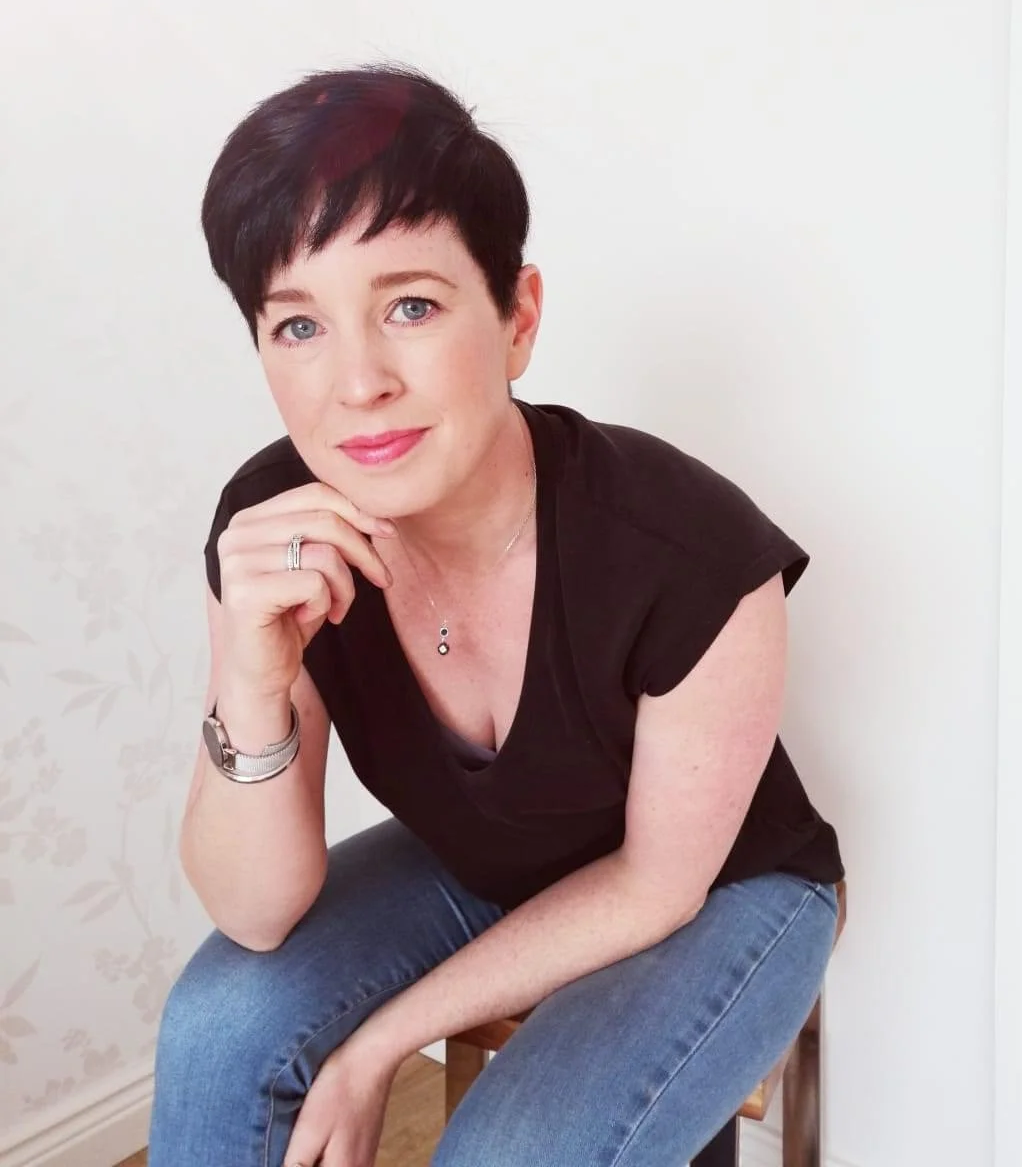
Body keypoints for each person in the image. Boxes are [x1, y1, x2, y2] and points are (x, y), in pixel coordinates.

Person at [149, 66, 845, 1167]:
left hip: (718, 887)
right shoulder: (275, 531)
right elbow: (256, 912)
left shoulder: (692, 551)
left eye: (410, 307)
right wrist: (251, 680)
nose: (358, 382)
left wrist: (380, 1043)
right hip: (484, 863)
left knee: (513, 1149)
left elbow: (655, 885)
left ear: (517, 317)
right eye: (299, 325)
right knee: (215, 1028)